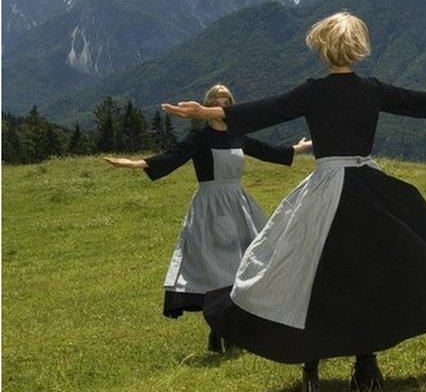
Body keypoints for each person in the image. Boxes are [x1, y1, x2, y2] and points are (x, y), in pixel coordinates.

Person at [161, 12, 426, 392]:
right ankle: (366, 364)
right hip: (369, 192)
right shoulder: (371, 88)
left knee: (307, 274)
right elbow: (412, 99)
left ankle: (312, 365)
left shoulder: (314, 91)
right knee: (370, 276)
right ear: (358, 48)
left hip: (325, 192)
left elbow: (267, 110)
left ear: (322, 48)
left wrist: (207, 112)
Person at [105, 84, 310, 352]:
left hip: (239, 206)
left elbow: (266, 150)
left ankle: (229, 329)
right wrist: (136, 164)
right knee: (218, 271)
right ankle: (220, 329)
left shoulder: (238, 135)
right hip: (210, 208)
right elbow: (173, 156)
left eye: (226, 102)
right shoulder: (200, 139)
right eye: (217, 102)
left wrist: (297, 148)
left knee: (243, 265)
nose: (221, 107)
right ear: (207, 107)